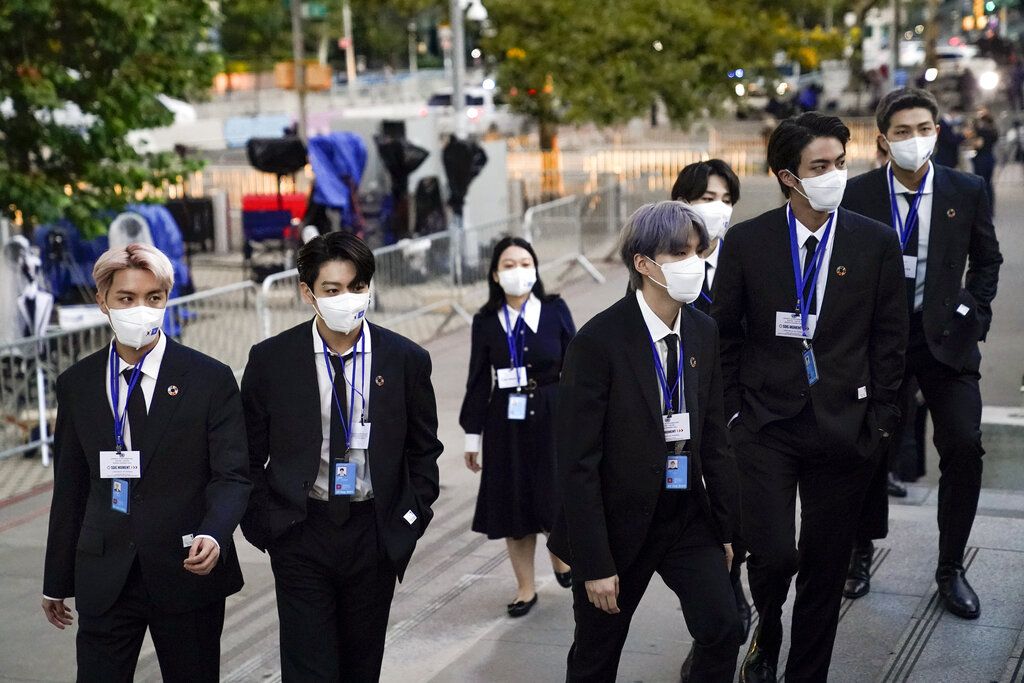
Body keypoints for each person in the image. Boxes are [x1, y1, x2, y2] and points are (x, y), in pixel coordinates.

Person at [712, 112, 908, 682]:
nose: (834, 176)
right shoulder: (749, 242)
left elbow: (890, 340)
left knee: (825, 570)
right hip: (766, 426)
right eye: (819, 167)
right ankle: (766, 628)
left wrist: (882, 422)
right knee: (774, 556)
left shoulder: (874, 242)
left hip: (846, 429)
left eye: (840, 164)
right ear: (787, 177)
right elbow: (725, 334)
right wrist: (731, 415)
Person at [549, 201, 742, 682]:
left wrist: (726, 527)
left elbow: (714, 436)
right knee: (596, 655)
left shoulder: (703, 329)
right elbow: (577, 462)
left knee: (724, 627)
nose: (693, 262)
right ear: (643, 263)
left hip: (687, 516)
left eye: (698, 251)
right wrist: (594, 563)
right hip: (615, 526)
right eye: (678, 253)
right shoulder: (597, 342)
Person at [41, 244, 251, 682]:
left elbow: (232, 475)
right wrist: (56, 579)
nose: (141, 309)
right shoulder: (77, 385)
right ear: (103, 302)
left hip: (186, 569)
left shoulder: (209, 378)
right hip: (106, 574)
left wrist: (215, 533)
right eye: (127, 298)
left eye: (153, 298)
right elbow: (71, 488)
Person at [240, 232, 443, 681]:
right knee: (308, 665)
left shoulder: (405, 359)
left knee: (361, 663)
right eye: (332, 290)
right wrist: (266, 525)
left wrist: (410, 518)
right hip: (301, 529)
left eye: (357, 287)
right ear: (307, 293)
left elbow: (424, 450)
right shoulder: (272, 360)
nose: (346, 299)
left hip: (372, 530)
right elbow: (247, 453)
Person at [840, 88, 1003, 618]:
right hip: (877, 343)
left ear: (939, 131)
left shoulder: (966, 188)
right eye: (903, 132)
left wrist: (973, 317)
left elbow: (987, 260)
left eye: (924, 129)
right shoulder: (857, 193)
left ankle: (951, 567)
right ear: (884, 139)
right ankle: (857, 552)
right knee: (866, 448)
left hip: (945, 341)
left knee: (964, 443)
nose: (915, 140)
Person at [460, 237, 576, 617]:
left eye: (525, 262)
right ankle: (525, 588)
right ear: (495, 274)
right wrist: (471, 436)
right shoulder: (486, 320)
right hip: (505, 422)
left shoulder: (555, 310)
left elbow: (576, 368)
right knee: (514, 505)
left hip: (553, 413)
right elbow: (478, 380)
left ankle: (560, 555)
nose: (518, 270)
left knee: (556, 495)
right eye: (508, 265)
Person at [669, 159, 752, 674]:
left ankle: (732, 591)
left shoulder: (747, 259)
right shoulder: (663, 265)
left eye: (724, 199)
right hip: (679, 428)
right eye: (704, 198)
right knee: (692, 535)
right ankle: (715, 622)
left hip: (738, 420)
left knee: (733, 518)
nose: (715, 209)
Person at [670, 160, 741, 319]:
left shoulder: (741, 260)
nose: (720, 209)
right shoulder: (659, 260)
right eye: (709, 199)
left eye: (726, 201)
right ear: (682, 203)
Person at [968, 108, 999, 210]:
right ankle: (990, 207)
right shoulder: (994, 131)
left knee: (981, 184)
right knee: (989, 184)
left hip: (981, 159)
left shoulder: (981, 131)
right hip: (990, 158)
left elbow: (978, 145)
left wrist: (972, 143)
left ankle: (983, 208)